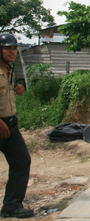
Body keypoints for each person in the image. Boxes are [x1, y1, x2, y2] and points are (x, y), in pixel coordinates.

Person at [0, 34, 34, 218]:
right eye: (8, 48)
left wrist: (18, 88)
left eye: (14, 48)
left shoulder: (9, 71)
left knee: (22, 161)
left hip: (10, 125)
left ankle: (12, 206)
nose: (12, 52)